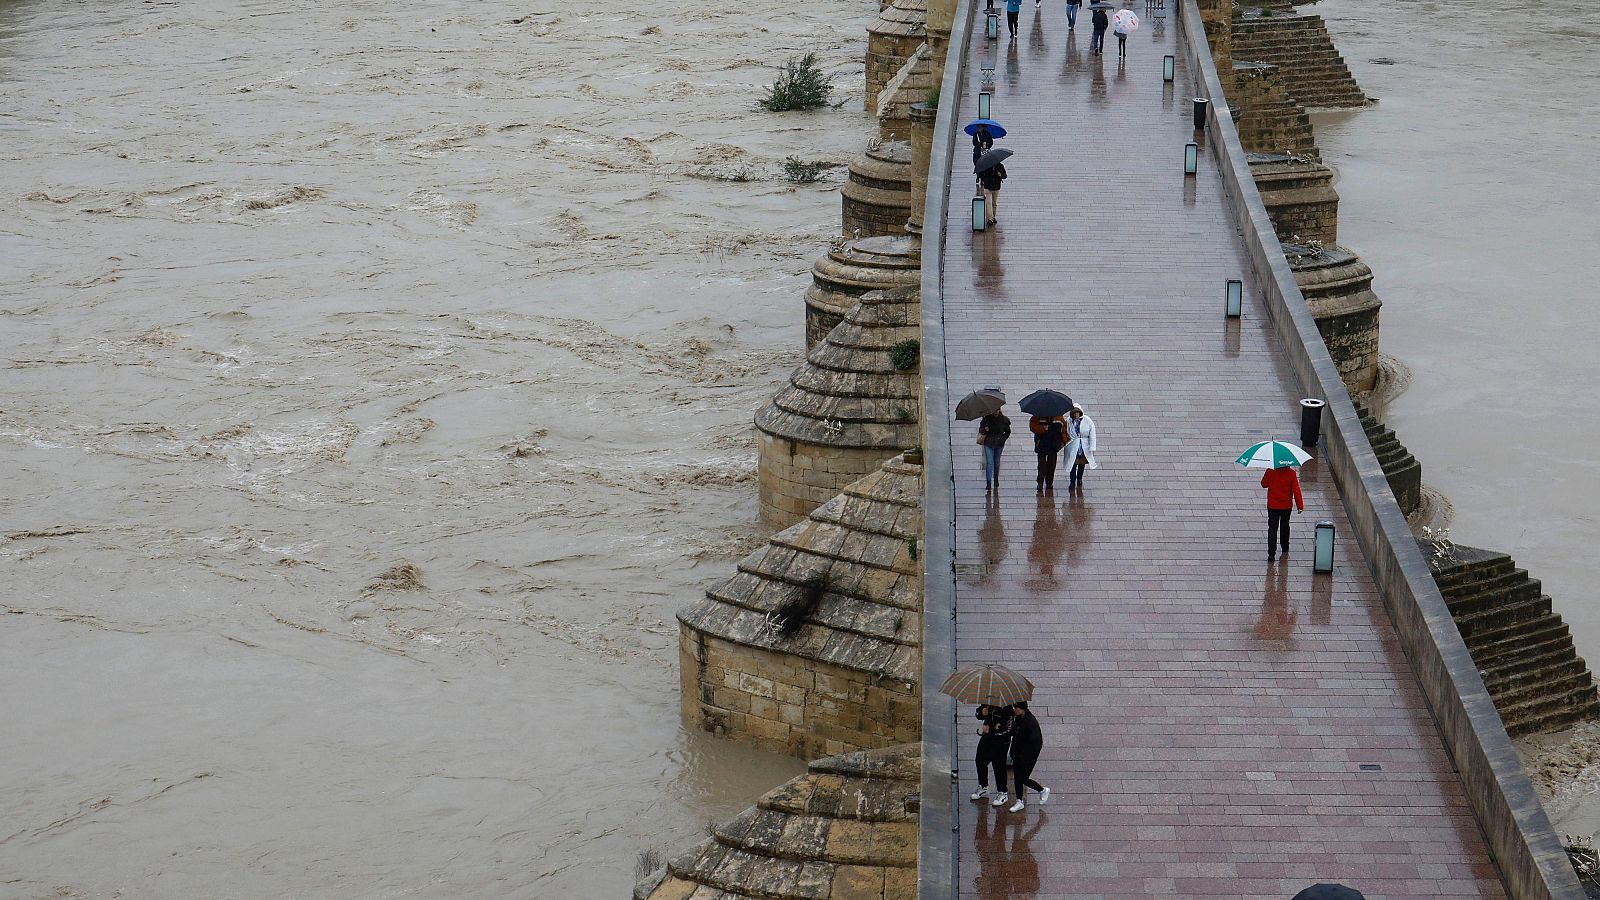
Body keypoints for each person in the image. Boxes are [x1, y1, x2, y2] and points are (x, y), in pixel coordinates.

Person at [1005, 701, 1048, 812]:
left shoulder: (1030, 723)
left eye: (1016, 708)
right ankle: (1019, 801)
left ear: (1022, 709)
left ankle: (1042, 790)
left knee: (1022, 778)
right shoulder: (1018, 719)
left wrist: (1027, 756)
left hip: (1027, 757)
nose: (1014, 710)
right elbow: (1014, 733)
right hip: (1017, 754)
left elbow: (1036, 744)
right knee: (1017, 778)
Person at [1260, 462, 1304, 562]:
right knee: (1285, 526)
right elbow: (1296, 490)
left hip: (1273, 505)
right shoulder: (1291, 473)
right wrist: (1300, 506)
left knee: (1272, 529)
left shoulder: (1271, 471)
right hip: (1286, 506)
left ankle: (1271, 554)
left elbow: (1263, 484)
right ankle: (1285, 546)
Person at [969, 704, 1012, 805]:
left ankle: (1003, 792)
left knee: (998, 765)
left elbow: (1007, 726)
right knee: (980, 760)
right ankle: (983, 786)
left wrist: (991, 728)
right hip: (987, 737)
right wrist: (982, 713)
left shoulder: (1007, 707)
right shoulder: (988, 702)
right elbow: (978, 713)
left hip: (1001, 740)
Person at [1064, 404, 1098, 491]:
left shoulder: (1087, 420)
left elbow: (1092, 433)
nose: (1076, 415)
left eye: (1077, 413)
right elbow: (1065, 432)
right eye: (1074, 413)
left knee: (1081, 465)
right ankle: (1072, 482)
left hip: (1083, 447)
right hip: (1073, 446)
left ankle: (1079, 479)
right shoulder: (1068, 421)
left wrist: (1092, 446)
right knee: (1073, 465)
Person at [1029, 413, 1066, 493]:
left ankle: (1049, 483)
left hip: (1054, 445)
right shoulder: (1038, 416)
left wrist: (1063, 441)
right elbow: (1032, 427)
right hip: (1042, 444)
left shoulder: (1059, 417)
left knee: (1051, 465)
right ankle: (1040, 483)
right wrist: (1043, 428)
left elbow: (1064, 430)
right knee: (1041, 465)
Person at [978, 409, 1011, 494]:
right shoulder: (986, 420)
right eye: (994, 411)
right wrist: (985, 429)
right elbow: (981, 430)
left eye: (997, 410)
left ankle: (996, 479)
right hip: (988, 443)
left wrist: (1002, 440)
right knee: (989, 463)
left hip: (999, 444)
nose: (996, 412)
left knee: (996, 463)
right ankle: (988, 483)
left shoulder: (1004, 420)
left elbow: (1007, 432)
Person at [978, 161, 1006, 226]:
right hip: (988, 187)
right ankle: (990, 219)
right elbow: (980, 174)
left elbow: (1005, 176)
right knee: (989, 203)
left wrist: (1000, 175)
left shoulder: (1000, 166)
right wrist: (985, 180)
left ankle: (993, 217)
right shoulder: (987, 166)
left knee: (994, 203)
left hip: (996, 188)